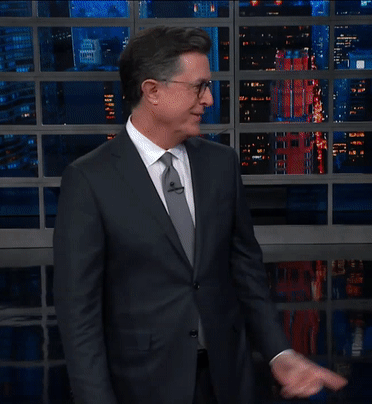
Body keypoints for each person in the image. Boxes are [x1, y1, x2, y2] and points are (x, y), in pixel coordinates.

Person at [53, 26, 348, 404]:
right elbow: (79, 314)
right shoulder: (89, 180)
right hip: (142, 385)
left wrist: (280, 354)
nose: (208, 99)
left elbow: (246, 273)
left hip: (228, 379)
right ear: (152, 91)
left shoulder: (221, 164)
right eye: (198, 87)